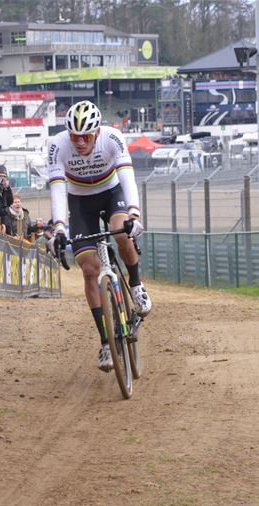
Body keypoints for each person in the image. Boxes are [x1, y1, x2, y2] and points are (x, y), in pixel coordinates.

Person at [46, 100, 152, 373]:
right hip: (81, 203)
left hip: (112, 193)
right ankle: (106, 341)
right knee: (89, 270)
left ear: (97, 131)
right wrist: (59, 227)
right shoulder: (57, 145)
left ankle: (137, 284)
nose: (80, 142)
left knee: (121, 231)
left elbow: (127, 177)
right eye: (74, 136)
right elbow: (57, 188)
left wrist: (134, 215)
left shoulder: (112, 138)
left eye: (86, 136)